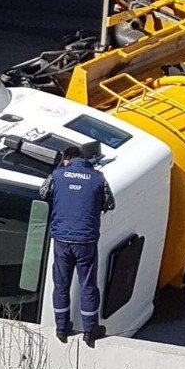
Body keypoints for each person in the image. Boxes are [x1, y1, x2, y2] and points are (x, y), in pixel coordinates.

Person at [40, 145, 115, 348]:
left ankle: (62, 329)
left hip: (62, 240)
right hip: (86, 241)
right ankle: (90, 332)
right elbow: (110, 204)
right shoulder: (98, 178)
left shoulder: (57, 175)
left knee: (61, 284)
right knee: (88, 286)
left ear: (66, 160)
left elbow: (43, 193)